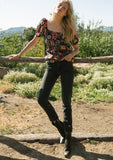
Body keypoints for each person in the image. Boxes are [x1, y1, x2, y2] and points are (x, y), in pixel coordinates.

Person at [9, 0, 79, 157]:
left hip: (66, 66)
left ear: (67, 12)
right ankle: (61, 127)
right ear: (55, 7)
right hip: (52, 66)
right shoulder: (44, 23)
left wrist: (70, 55)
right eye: (59, 5)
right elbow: (35, 40)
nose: (61, 8)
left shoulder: (70, 27)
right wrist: (19, 54)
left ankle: (68, 141)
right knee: (41, 98)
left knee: (66, 103)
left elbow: (76, 48)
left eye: (65, 7)